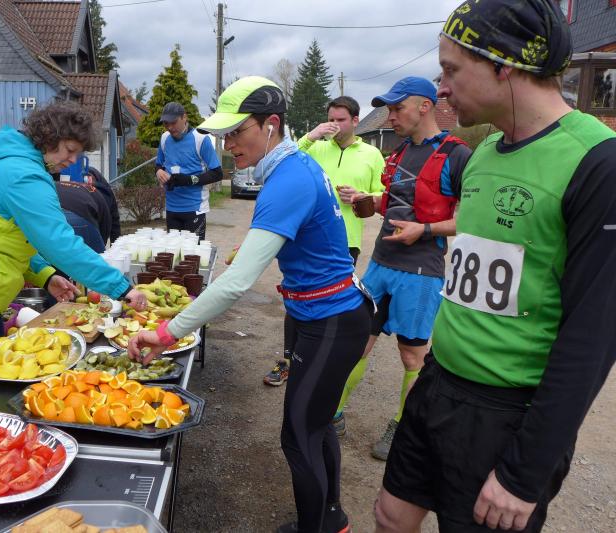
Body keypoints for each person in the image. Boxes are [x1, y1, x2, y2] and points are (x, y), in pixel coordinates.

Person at [374, 1, 616, 532]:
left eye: (452, 70)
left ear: (504, 64)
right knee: (390, 516)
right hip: (439, 379)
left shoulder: (598, 161)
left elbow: (594, 337)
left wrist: (526, 472)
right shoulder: (483, 153)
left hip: (507, 410)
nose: (441, 88)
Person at [130, 77, 371, 533]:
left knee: (299, 435)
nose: (228, 145)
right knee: (315, 425)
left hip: (331, 319)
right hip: (324, 313)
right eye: (224, 135)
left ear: (271, 125)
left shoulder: (287, 180)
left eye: (238, 132)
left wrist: (166, 333)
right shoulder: (291, 166)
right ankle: (331, 520)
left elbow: (237, 284)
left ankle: (317, 528)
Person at [0, 101, 147, 391]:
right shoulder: (25, 175)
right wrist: (121, 288)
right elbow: (60, 242)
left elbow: (9, 237)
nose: (72, 160)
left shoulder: (11, 164)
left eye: (78, 154)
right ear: (50, 137)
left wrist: (45, 276)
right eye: (70, 150)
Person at [335, 76, 472, 458]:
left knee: (412, 356)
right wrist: (369, 200)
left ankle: (402, 426)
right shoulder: (398, 151)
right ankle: (333, 414)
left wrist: (424, 230)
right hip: (380, 265)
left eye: (397, 108)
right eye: (389, 110)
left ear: (425, 106)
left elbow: (473, 219)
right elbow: (396, 201)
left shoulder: (457, 154)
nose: (390, 117)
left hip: (421, 273)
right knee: (357, 342)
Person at [263, 96, 385, 392]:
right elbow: (282, 157)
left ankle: (313, 359)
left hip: (346, 242)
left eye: (341, 119)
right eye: (330, 119)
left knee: (327, 305)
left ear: (355, 121)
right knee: (294, 296)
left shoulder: (372, 154)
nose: (334, 125)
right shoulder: (316, 146)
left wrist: (362, 196)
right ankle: (288, 360)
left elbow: (383, 196)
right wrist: (311, 135)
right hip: (303, 237)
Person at [155, 101, 223, 240]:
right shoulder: (164, 138)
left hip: (194, 208)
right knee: (174, 252)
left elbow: (217, 173)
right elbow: (158, 165)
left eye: (173, 122)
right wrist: (159, 172)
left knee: (193, 252)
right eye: (166, 124)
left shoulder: (201, 139)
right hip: (171, 208)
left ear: (184, 117)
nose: (170, 127)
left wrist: (188, 180)